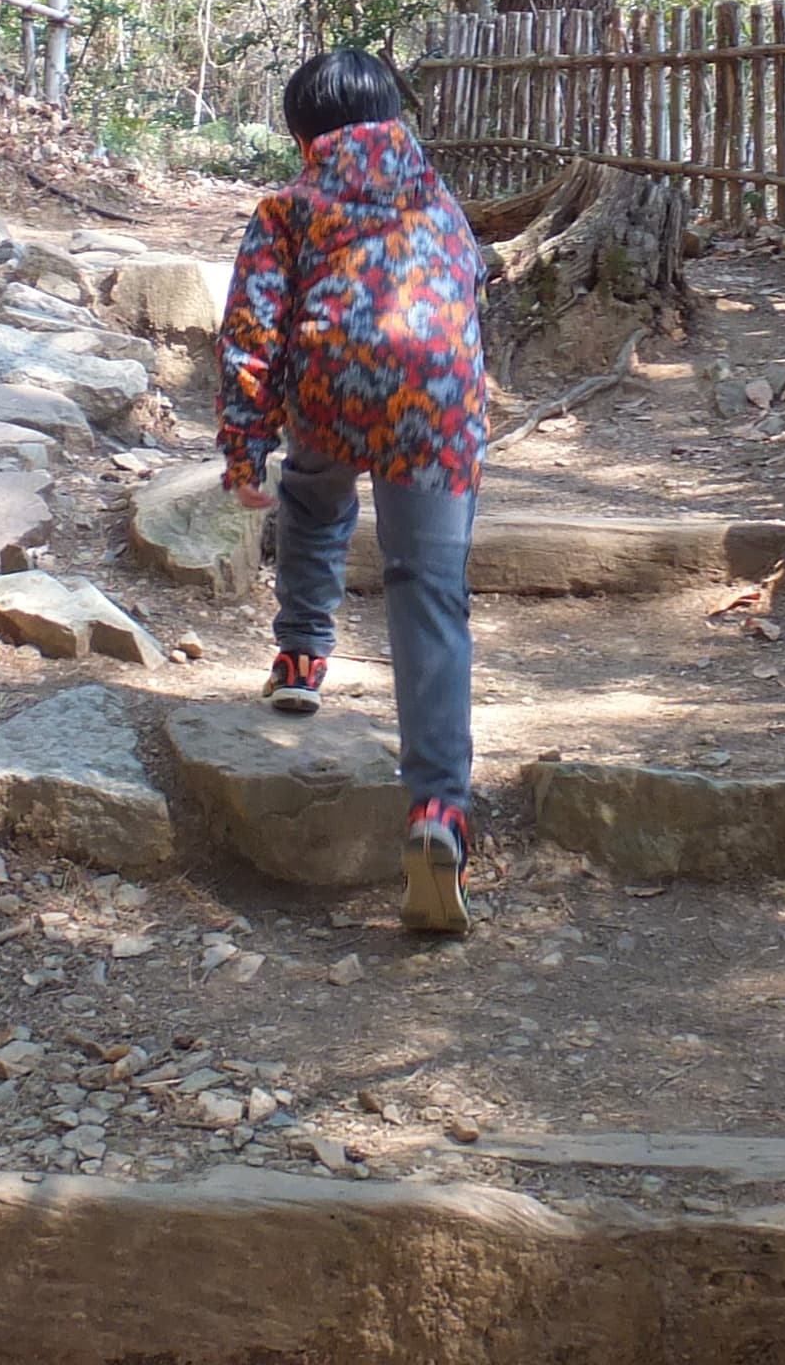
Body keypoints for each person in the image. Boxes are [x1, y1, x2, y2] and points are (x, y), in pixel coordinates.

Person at [215, 47, 488, 932]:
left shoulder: (289, 207)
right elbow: (470, 287)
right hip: (436, 396)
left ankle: (300, 656)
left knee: (314, 495)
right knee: (430, 590)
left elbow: (252, 327)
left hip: (331, 381)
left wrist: (245, 445)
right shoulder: (440, 198)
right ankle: (438, 808)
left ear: (303, 137)